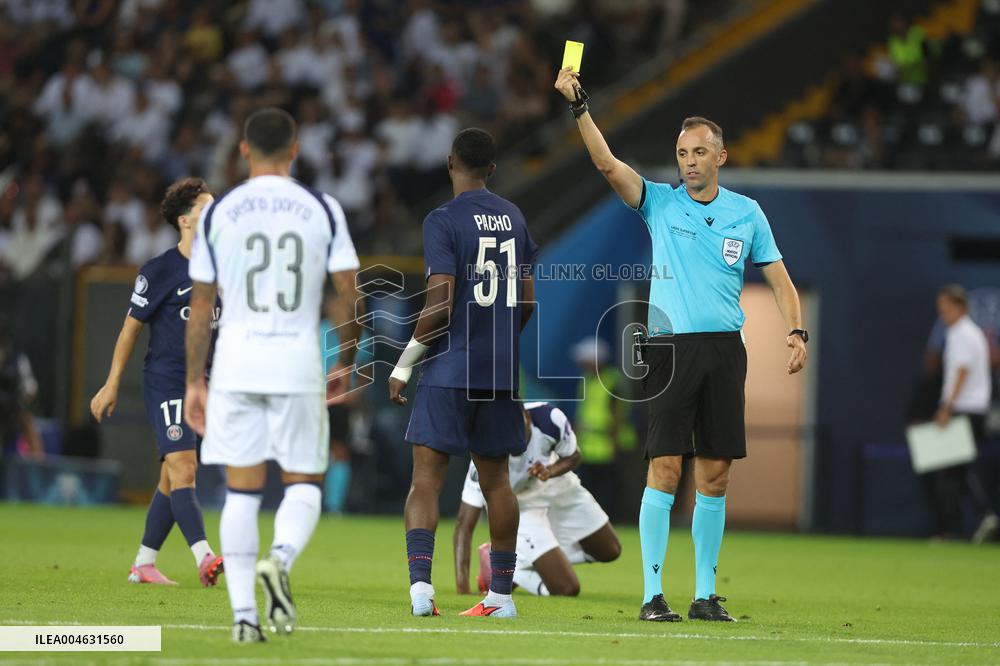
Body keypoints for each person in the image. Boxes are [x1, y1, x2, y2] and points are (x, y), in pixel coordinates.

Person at [554, 67, 807, 623]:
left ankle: (705, 596)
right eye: (682, 153)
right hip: (669, 350)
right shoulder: (660, 204)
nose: (689, 161)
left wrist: (796, 329)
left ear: (721, 156)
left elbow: (782, 282)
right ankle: (652, 595)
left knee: (715, 474)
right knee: (665, 467)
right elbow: (607, 164)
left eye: (699, 152)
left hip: (725, 351)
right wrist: (580, 108)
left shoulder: (747, 213)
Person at [184, 108, 361, 643]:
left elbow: (201, 305)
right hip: (297, 361)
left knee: (241, 493)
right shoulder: (322, 208)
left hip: (236, 363)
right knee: (303, 483)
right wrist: (345, 359)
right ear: (295, 149)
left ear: (243, 150)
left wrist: (194, 381)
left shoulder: (219, 211)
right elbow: (348, 294)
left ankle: (244, 619)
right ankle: (279, 559)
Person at [387, 127, 538, 619]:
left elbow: (440, 305)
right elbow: (527, 303)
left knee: (426, 481)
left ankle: (421, 593)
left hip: (451, 368)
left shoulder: (443, 219)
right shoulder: (515, 217)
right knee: (497, 484)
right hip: (499, 372)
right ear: (492, 168)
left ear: (450, 162)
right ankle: (501, 598)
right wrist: (498, 341)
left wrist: (404, 365)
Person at [90, 177, 223, 588]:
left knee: (170, 476)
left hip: (204, 383)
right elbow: (130, 329)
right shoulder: (161, 270)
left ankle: (143, 564)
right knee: (184, 468)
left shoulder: (225, 268)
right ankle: (205, 557)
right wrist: (111, 383)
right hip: (167, 381)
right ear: (185, 221)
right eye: (206, 209)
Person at [453, 402, 621, 597]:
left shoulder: (549, 418)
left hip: (559, 485)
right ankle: (513, 567)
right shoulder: (485, 456)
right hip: (521, 507)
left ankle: (518, 558)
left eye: (518, 428)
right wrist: (462, 590)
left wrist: (550, 470)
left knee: (610, 550)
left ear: (527, 416)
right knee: (567, 589)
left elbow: (574, 456)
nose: (515, 437)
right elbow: (464, 524)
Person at [929, 285, 998, 542]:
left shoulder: (961, 333)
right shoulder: (973, 333)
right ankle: (984, 515)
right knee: (960, 471)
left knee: (949, 472)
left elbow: (961, 371)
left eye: (945, 309)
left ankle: (952, 532)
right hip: (973, 410)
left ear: (959, 307)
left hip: (963, 410)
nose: (942, 314)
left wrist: (946, 407)